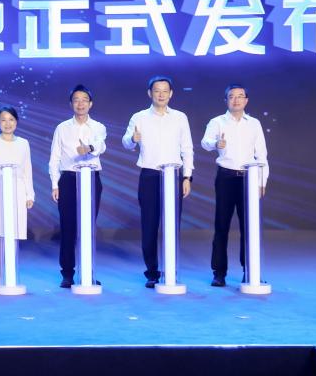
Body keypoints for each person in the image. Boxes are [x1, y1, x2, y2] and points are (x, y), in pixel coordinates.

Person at [122, 75, 195, 288]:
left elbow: (187, 148)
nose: (161, 94)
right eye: (157, 91)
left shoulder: (180, 117)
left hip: (173, 175)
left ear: (171, 94)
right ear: (150, 93)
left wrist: (187, 176)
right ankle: (152, 272)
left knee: (172, 225)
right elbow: (126, 142)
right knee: (149, 225)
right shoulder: (139, 117)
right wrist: (132, 139)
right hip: (150, 175)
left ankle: (171, 269)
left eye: (165, 91)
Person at [200, 84, 269, 287]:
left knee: (249, 227)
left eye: (240, 96)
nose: (236, 100)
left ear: (246, 100)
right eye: (232, 96)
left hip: (249, 178)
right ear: (226, 100)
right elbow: (205, 142)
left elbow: (262, 155)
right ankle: (219, 272)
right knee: (221, 226)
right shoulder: (217, 122)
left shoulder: (254, 124)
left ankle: (250, 270)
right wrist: (216, 144)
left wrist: (261, 181)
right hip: (226, 177)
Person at [48, 85, 107, 288]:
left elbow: (101, 145)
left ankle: (88, 272)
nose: (80, 104)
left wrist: (88, 148)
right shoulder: (62, 128)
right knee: (68, 228)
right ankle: (67, 273)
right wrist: (55, 184)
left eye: (84, 100)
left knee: (88, 227)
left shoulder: (98, 127)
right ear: (71, 103)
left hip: (90, 178)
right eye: (76, 100)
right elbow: (54, 158)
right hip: (68, 179)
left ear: (91, 104)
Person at [0, 106, 34, 288]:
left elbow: (27, 170)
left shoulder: (23, 143)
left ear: (16, 122)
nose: (7, 123)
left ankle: (11, 272)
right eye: (3, 120)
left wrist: (29, 194)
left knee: (14, 233)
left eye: (11, 119)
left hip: (17, 189)